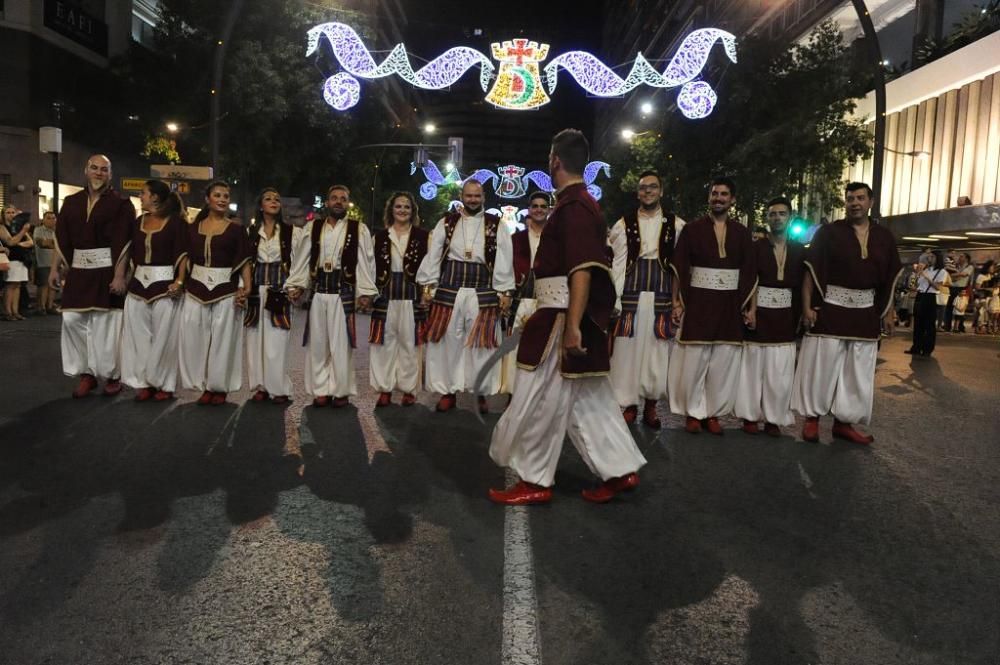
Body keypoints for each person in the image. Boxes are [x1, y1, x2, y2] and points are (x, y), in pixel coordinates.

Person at [488, 128, 647, 505]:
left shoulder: (574, 208)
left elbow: (582, 269)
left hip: (560, 319)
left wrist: (572, 325)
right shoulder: (578, 204)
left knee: (539, 399)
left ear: (555, 161)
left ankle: (534, 479)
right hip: (562, 314)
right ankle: (620, 470)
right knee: (588, 401)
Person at [791, 182, 902, 444]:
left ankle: (844, 423)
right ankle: (812, 420)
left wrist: (888, 312)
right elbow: (812, 271)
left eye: (860, 198)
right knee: (822, 366)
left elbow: (889, 278)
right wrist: (807, 307)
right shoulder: (829, 232)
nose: (854, 203)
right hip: (830, 307)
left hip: (865, 312)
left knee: (857, 371)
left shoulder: (884, 237)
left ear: (870, 202)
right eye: (850, 198)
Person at [416, 179, 515, 413]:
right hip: (450, 288)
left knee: (481, 345)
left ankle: (479, 392)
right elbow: (434, 254)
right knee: (447, 342)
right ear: (462, 196)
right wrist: (428, 285)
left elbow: (504, 258)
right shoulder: (447, 223)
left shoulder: (496, 225)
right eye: (469, 195)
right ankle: (447, 392)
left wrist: (505, 290)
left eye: (477, 196)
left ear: (483, 198)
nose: (473, 199)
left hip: (483, 291)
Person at [667, 177, 756, 435]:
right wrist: (676, 302)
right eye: (715, 193)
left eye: (724, 194)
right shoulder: (693, 229)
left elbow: (749, 272)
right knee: (694, 360)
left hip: (729, 305)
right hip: (698, 303)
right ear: (709, 197)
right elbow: (680, 267)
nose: (718, 198)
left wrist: (749, 308)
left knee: (722, 362)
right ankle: (694, 413)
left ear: (732, 199)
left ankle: (713, 414)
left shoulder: (741, 232)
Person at [49, 155, 135, 397]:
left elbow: (124, 242)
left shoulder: (121, 204)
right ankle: (86, 374)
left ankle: (112, 375)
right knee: (72, 320)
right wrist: (56, 268)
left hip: (107, 269)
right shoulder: (71, 201)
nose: (99, 173)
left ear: (110, 174)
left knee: (106, 325)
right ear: (86, 170)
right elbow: (61, 238)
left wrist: (120, 276)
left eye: (104, 169)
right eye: (94, 168)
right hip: (78, 272)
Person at [286, 185, 377, 407]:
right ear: (327, 202)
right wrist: (297, 284)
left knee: (341, 343)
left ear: (348, 203)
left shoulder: (358, 229)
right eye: (334, 198)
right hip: (319, 291)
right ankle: (320, 390)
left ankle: (340, 391)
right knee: (318, 343)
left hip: (343, 292)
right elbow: (303, 258)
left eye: (343, 199)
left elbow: (365, 262)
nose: (338, 202)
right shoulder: (313, 227)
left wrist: (365, 291)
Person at [608, 170, 685, 428]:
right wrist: (614, 298)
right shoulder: (624, 224)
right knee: (626, 353)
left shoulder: (676, 225)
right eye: (643, 188)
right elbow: (618, 263)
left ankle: (651, 406)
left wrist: (679, 301)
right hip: (631, 294)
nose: (648, 192)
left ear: (661, 191)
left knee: (657, 354)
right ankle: (629, 405)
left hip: (662, 295)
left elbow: (680, 267)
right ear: (637, 192)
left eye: (653, 187)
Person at [734, 196, 805, 436]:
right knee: (752, 369)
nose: (777, 218)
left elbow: (801, 285)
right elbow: (751, 279)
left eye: (782, 214)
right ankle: (749, 416)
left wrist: (803, 312)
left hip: (785, 315)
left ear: (790, 217)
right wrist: (751, 309)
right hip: (760, 312)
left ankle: (774, 419)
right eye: (772, 214)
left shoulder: (799, 250)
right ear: (767, 218)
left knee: (780, 371)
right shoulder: (756, 248)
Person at [178, 181, 253, 405]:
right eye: (217, 195)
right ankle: (201, 384)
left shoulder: (237, 230)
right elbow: (185, 258)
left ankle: (218, 387)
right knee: (194, 337)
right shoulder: (192, 229)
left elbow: (244, 260)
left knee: (223, 340)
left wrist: (246, 287)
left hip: (225, 290)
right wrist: (181, 281)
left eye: (226, 196)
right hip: (195, 289)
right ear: (207, 199)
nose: (222, 199)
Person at [116, 180, 188, 401]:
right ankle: (146, 382)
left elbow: (183, 254)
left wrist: (180, 281)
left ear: (155, 197)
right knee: (139, 338)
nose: (140, 196)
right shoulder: (139, 221)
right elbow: (129, 252)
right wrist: (120, 277)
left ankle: (164, 384)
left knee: (164, 338)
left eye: (143, 193)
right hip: (138, 287)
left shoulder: (176, 223)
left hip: (165, 287)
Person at [369, 191, 429, 406]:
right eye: (398, 206)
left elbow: (431, 268)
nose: (402, 210)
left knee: (411, 346)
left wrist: (427, 293)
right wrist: (368, 293)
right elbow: (369, 268)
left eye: (407, 207)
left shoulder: (424, 237)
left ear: (412, 211)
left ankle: (409, 389)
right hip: (385, 297)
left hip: (412, 298)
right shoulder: (379, 237)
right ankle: (384, 389)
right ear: (391, 210)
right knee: (383, 345)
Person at [244, 188, 296, 404]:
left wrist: (294, 286)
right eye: (268, 199)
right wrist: (243, 288)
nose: (273, 201)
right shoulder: (251, 232)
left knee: (277, 340)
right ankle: (261, 386)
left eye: (277, 199)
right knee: (255, 340)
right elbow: (245, 263)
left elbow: (297, 261)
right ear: (261, 205)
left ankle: (279, 388)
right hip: (256, 290)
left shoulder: (291, 232)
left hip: (278, 291)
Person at [500, 190, 550, 395]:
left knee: (543, 348)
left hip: (546, 300)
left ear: (549, 210)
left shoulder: (556, 238)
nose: (538, 209)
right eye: (535, 206)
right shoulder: (516, 239)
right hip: (520, 299)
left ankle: (537, 396)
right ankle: (514, 393)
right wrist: (505, 294)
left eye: (543, 206)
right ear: (528, 210)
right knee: (514, 348)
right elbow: (506, 268)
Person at [907, 251, 947, 357]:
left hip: (930, 297)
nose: (929, 259)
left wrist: (926, 276)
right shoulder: (926, 269)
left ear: (937, 258)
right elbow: (919, 284)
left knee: (929, 324)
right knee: (918, 323)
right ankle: (916, 346)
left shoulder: (941, 272)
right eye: (929, 257)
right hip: (920, 295)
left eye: (932, 257)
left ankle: (927, 348)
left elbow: (937, 287)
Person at [1, 206, 33, 321]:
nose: (10, 214)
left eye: (12, 212)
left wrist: (18, 243)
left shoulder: (18, 227)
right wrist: (23, 232)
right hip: (11, 259)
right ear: (3, 215)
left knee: (18, 285)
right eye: (7, 212)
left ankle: (15, 311)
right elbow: (10, 241)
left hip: (21, 259)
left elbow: (30, 242)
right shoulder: (2, 227)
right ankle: (7, 312)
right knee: (11, 285)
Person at [33, 211, 58, 314]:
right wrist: (54, 244)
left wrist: (50, 243)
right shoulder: (38, 230)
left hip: (55, 262)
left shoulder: (58, 231)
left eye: (53, 218)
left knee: (53, 285)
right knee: (43, 285)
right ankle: (41, 307)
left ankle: (50, 306)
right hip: (42, 261)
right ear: (43, 219)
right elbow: (42, 243)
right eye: (48, 218)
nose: (52, 220)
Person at [945, 252, 973, 332]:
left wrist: (954, 275)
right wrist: (957, 275)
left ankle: (959, 326)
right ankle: (947, 326)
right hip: (952, 288)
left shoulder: (969, 267)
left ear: (966, 259)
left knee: (960, 308)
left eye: (961, 256)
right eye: (959, 256)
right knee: (949, 307)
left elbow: (963, 274)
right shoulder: (955, 266)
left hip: (961, 289)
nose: (959, 258)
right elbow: (948, 275)